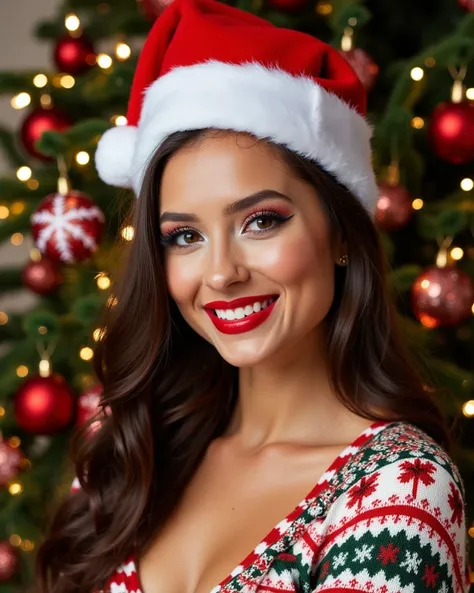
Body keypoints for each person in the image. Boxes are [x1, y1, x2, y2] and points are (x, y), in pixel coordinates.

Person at [36, 0, 471, 591]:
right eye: (184, 236)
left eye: (260, 222)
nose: (220, 273)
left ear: (339, 231)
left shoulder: (400, 489)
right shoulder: (130, 450)